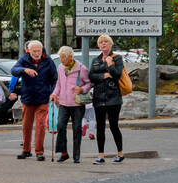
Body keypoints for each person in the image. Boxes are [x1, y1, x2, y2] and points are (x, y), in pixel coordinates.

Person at [12, 39, 58, 161]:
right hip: (28, 97)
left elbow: (55, 79)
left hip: (43, 97)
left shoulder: (48, 61)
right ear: (29, 51)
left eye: (39, 50)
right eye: (34, 51)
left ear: (42, 50)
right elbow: (14, 70)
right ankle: (26, 150)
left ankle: (39, 151)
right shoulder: (24, 59)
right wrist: (24, 70)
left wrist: (53, 93)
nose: (37, 53)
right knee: (26, 125)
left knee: (40, 125)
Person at [89, 34, 126, 165]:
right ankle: (101, 156)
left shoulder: (117, 58)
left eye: (106, 42)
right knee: (100, 127)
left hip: (113, 98)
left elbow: (117, 75)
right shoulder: (96, 60)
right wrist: (104, 75)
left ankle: (120, 154)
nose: (103, 44)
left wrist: (110, 65)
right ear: (98, 45)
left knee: (114, 126)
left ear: (111, 44)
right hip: (99, 98)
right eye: (101, 42)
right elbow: (91, 76)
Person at [50, 45, 89, 164]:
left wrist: (82, 89)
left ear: (71, 57)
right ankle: (64, 153)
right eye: (60, 58)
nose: (61, 60)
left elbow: (89, 83)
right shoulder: (61, 67)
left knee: (77, 129)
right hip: (63, 103)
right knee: (60, 126)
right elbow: (59, 84)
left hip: (77, 104)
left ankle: (76, 155)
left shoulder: (82, 68)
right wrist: (54, 94)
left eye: (63, 58)